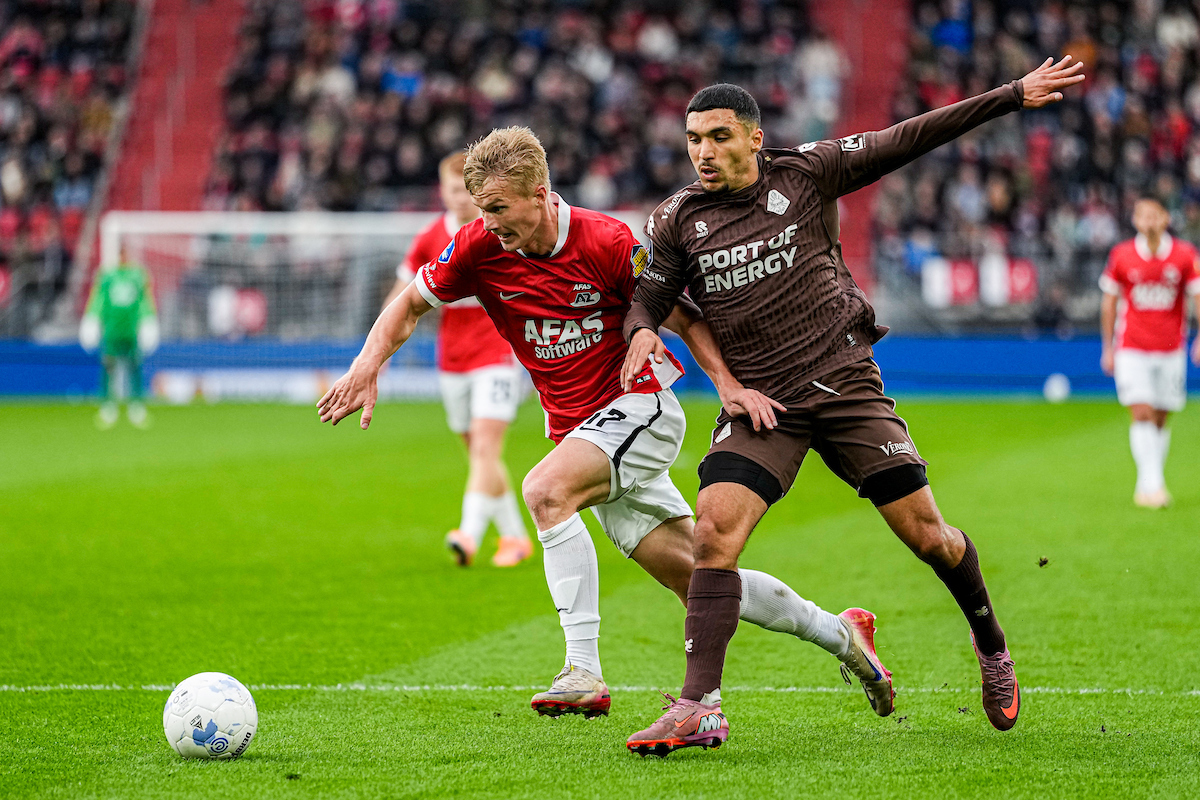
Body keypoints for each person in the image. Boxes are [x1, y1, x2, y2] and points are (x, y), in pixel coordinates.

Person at [318, 126, 894, 729]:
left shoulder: (607, 241)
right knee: (701, 579)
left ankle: (582, 671)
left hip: (640, 408)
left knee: (544, 491)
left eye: (497, 208)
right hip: (582, 432)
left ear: (539, 193)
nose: (487, 223)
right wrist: (366, 366)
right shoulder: (476, 248)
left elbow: (685, 318)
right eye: (480, 209)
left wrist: (727, 387)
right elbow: (409, 304)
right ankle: (844, 636)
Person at [620, 56, 1087, 753]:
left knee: (930, 537)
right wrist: (639, 337)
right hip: (764, 403)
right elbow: (647, 302)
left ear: (753, 136)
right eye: (693, 139)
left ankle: (989, 641)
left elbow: (910, 134)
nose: (703, 153)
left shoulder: (807, 171)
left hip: (843, 384)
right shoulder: (679, 219)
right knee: (714, 533)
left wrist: (1013, 95)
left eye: (718, 137)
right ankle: (698, 706)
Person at [383, 152, 533, 567]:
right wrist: (379, 350)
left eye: (465, 190)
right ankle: (516, 538)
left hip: (497, 352)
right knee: (480, 456)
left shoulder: (499, 232)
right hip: (451, 358)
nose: (458, 199)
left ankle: (468, 534)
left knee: (486, 448)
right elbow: (402, 293)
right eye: (450, 190)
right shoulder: (431, 236)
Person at [1100, 195, 1200, 509]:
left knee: (1159, 417)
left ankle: (1148, 484)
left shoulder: (1184, 255)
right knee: (1140, 411)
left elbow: (1197, 296)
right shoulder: (1122, 255)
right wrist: (1108, 348)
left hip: (1171, 348)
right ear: (1135, 221)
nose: (1149, 221)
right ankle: (1153, 485)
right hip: (1132, 346)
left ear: (1165, 219)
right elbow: (1109, 302)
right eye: (1142, 215)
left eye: (1154, 215)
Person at [79, 254, 159, 429]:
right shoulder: (106, 276)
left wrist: (148, 320)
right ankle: (108, 405)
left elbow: (144, 301)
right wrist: (92, 320)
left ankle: (136, 405)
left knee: (134, 367)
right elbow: (98, 300)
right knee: (108, 367)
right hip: (112, 332)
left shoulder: (138, 276)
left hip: (131, 331)